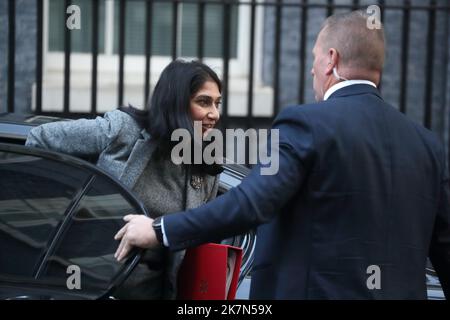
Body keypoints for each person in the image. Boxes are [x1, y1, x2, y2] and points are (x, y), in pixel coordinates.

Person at [114, 11, 450, 299]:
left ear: (331, 59)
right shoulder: (427, 145)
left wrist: (160, 230)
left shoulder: (305, 123)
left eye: (315, 58)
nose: (311, 71)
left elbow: (251, 203)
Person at [26, 59, 223, 299]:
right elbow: (40, 139)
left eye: (217, 103)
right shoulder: (123, 130)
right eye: (204, 102)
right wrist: (58, 218)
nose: (214, 113)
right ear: (176, 104)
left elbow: (204, 237)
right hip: (89, 288)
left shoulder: (205, 165)